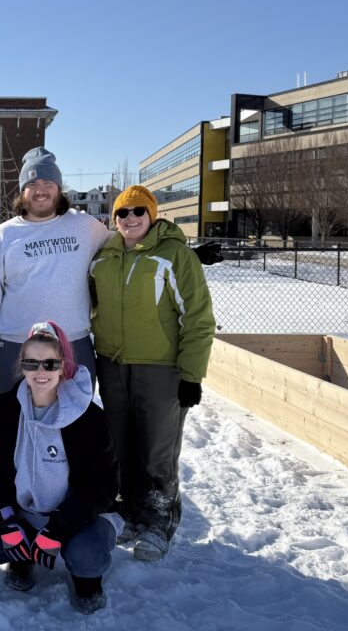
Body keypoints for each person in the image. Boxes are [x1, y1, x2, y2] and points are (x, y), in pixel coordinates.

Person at [90, 185, 215, 562]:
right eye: (123, 213)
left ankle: (160, 517)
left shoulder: (174, 255)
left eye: (138, 212)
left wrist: (192, 374)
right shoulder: (104, 256)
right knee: (119, 442)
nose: (130, 219)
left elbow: (198, 318)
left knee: (157, 447)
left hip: (160, 367)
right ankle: (129, 509)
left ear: (152, 215)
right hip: (111, 363)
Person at [0, 321, 122, 615]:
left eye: (50, 363)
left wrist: (59, 528)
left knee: (86, 554)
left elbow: (105, 484)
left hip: (77, 518)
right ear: (21, 366)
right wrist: (8, 521)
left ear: (63, 366)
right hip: (24, 513)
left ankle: (87, 580)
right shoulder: (4, 409)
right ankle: (22, 557)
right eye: (31, 362)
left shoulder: (89, 416)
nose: (41, 371)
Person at [0, 147, 111, 395]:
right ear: (22, 191)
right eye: (32, 183)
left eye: (48, 181)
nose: (40, 190)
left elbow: (126, 242)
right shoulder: (3, 235)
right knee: (15, 427)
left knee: (74, 429)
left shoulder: (84, 226)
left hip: (74, 345)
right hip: (17, 347)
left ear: (59, 188)